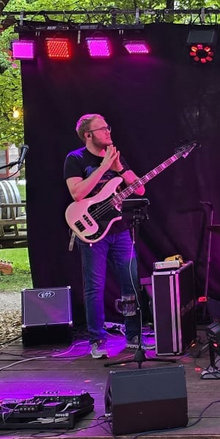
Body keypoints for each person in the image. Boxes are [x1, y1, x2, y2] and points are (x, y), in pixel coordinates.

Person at [64, 114, 147, 359]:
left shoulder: (115, 156)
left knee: (130, 282)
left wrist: (118, 167)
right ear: (88, 134)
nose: (108, 131)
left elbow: (140, 188)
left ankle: (133, 335)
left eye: (108, 127)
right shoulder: (75, 159)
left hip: (119, 230)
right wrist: (102, 168)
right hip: (92, 232)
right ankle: (97, 340)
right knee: (95, 287)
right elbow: (77, 194)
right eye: (102, 129)